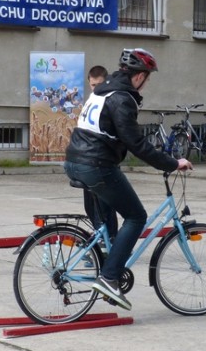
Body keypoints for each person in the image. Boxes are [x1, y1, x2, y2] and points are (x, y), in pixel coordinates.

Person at [64, 48, 192, 310]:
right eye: (148, 78)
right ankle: (109, 278)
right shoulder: (122, 98)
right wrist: (171, 163)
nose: (147, 84)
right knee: (136, 217)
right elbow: (136, 143)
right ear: (139, 76)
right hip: (96, 165)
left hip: (76, 161)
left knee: (111, 220)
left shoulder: (102, 91)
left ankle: (107, 257)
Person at [83, 65, 118, 240]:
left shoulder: (109, 99)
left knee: (105, 206)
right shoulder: (92, 100)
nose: (97, 88)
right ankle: (102, 241)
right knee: (91, 206)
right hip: (87, 159)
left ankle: (109, 241)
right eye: (93, 85)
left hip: (102, 160)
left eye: (99, 84)